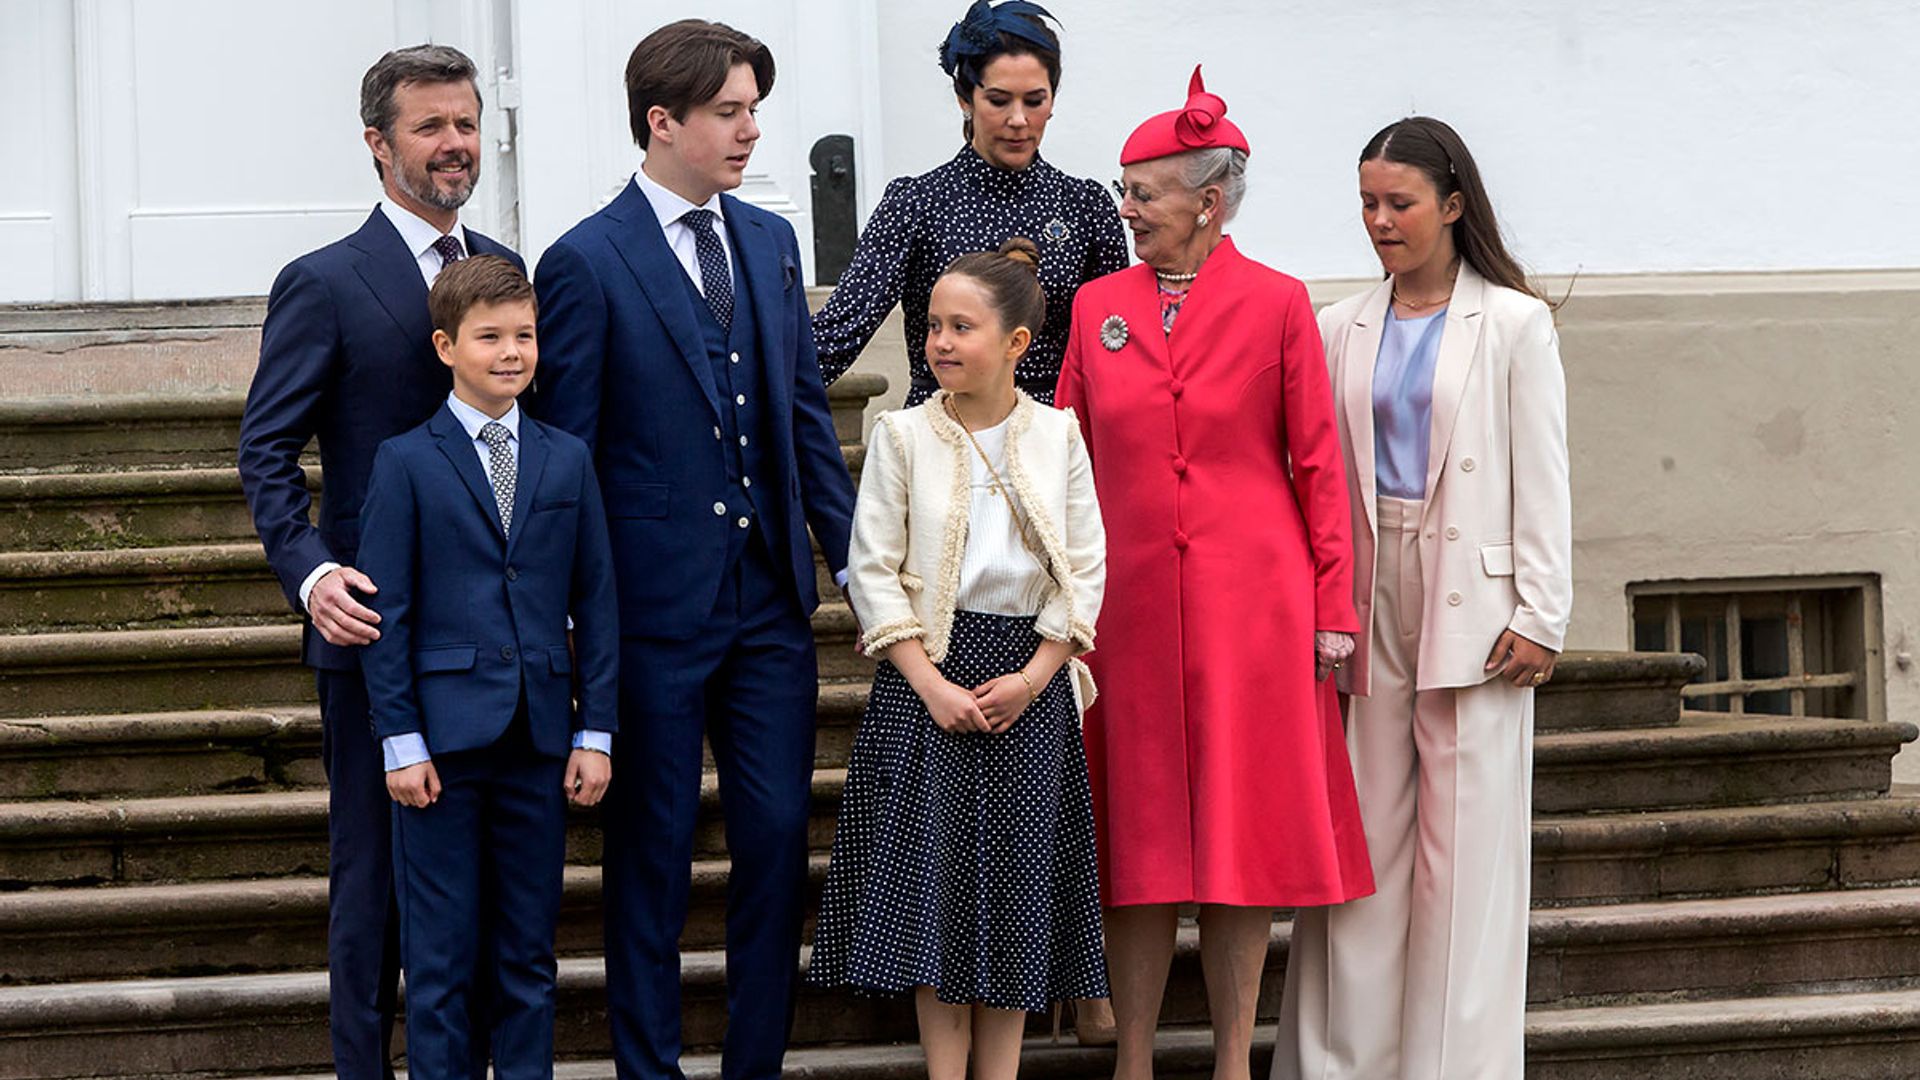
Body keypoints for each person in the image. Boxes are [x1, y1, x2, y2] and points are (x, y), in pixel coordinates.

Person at [529, 19, 858, 1080]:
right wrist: (575, 615)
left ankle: (754, 1066)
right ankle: (648, 1070)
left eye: (754, 109)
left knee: (773, 849)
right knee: (651, 860)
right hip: (649, 616)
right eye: (730, 111)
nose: (751, 130)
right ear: (662, 121)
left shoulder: (769, 242)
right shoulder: (582, 260)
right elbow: (566, 457)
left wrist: (855, 567)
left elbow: (805, 414)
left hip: (769, 606)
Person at [1053, 67, 1374, 1080]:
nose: (1127, 208)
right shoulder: (1096, 304)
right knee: (1140, 839)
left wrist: (1335, 609)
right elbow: (1060, 459)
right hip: (1128, 606)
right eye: (1124, 189)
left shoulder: (1281, 304)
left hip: (1256, 606)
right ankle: (1136, 1058)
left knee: (1240, 839)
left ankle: (1236, 1058)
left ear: (1209, 199)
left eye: (1142, 191)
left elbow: (1320, 463)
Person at [235, 44, 522, 1080]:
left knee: (488, 887)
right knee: (373, 883)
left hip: (498, 644)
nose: (454, 144)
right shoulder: (323, 282)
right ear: (378, 144)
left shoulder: (502, 273)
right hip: (378, 632)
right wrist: (312, 573)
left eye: (465, 124)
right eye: (430, 126)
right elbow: (265, 449)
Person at [1274, 116, 1572, 1080]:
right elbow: (1316, 475)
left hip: (1478, 605)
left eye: (1398, 203)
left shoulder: (1516, 322)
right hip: (1365, 594)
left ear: (1451, 204)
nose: (1379, 221)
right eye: (1367, 203)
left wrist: (1541, 610)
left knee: (1467, 853)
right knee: (1365, 839)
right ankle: (1338, 1061)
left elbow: (1544, 471)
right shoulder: (1338, 327)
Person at [809, 238, 1109, 1080]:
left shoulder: (1058, 434)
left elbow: (1084, 566)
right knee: (934, 895)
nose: (941, 341)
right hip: (927, 683)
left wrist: (1035, 675)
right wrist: (930, 683)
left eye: (962, 327)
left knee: (1014, 894)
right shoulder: (902, 435)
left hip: (1029, 683)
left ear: (1016, 342)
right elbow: (870, 568)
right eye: (933, 325)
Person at [355, 255, 618, 1080]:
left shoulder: (566, 458)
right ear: (445, 346)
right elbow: (386, 615)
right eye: (490, 336)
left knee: (527, 957)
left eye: (525, 335)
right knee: (439, 962)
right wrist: (400, 741)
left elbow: (599, 602)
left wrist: (595, 731)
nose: (512, 352)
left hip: (540, 739)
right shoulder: (405, 461)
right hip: (442, 747)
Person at [811, 0, 1127, 409]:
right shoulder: (916, 203)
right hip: (942, 438)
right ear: (966, 98)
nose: (1018, 119)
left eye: (1034, 101)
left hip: (1052, 443)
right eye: (999, 100)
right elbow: (838, 333)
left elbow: (1114, 344)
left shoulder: (1085, 208)